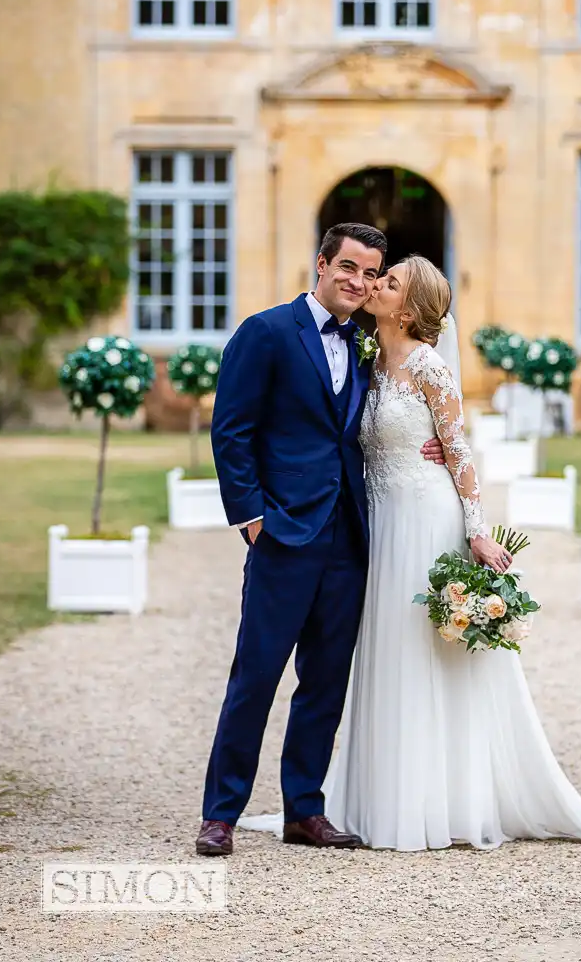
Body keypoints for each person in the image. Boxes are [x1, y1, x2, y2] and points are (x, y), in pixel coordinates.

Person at [240, 255, 581, 850]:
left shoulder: (429, 367)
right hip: (378, 521)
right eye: (377, 276)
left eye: (390, 281)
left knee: (428, 653)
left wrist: (478, 530)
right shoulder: (368, 357)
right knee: (385, 650)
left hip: (427, 517)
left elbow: (459, 453)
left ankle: (441, 801)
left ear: (409, 306)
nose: (375, 285)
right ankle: (380, 797)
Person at [195, 224, 446, 857]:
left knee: (326, 680)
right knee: (255, 677)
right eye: (349, 268)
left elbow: (383, 418)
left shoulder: (368, 341)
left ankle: (304, 810)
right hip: (283, 532)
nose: (359, 282)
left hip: (349, 538)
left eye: (370, 273)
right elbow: (231, 430)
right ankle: (221, 813)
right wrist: (252, 516)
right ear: (322, 264)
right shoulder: (268, 332)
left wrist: (431, 445)